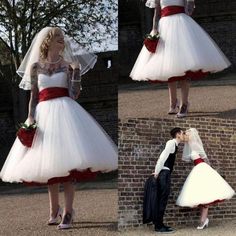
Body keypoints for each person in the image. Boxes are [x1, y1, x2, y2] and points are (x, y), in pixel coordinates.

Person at [0, 27, 118, 230]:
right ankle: (53, 210)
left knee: (68, 165)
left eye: (63, 38)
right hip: (43, 116)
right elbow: (33, 96)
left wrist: (77, 71)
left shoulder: (67, 65)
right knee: (50, 165)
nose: (63, 41)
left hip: (66, 114)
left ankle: (68, 212)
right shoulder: (36, 66)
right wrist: (30, 117)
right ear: (48, 41)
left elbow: (74, 94)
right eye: (58, 38)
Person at [130, 0, 231, 118]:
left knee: (185, 67)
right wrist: (154, 29)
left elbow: (190, 5)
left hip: (182, 26)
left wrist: (188, 9)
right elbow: (156, 13)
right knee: (169, 67)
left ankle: (184, 104)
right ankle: (173, 103)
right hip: (165, 28)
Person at [176, 128, 235, 229]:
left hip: (202, 169)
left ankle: (203, 220)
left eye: (187, 134)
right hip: (197, 169)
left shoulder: (195, 145)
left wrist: (210, 169)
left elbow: (204, 157)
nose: (186, 136)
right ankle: (204, 220)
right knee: (201, 197)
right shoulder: (190, 145)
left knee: (205, 196)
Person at [151, 127, 185, 233]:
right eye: (183, 133)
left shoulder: (175, 144)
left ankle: (159, 224)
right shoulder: (171, 143)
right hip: (164, 174)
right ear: (178, 134)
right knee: (162, 200)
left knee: (163, 200)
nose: (184, 135)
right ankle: (158, 227)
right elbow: (163, 157)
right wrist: (156, 172)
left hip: (165, 174)